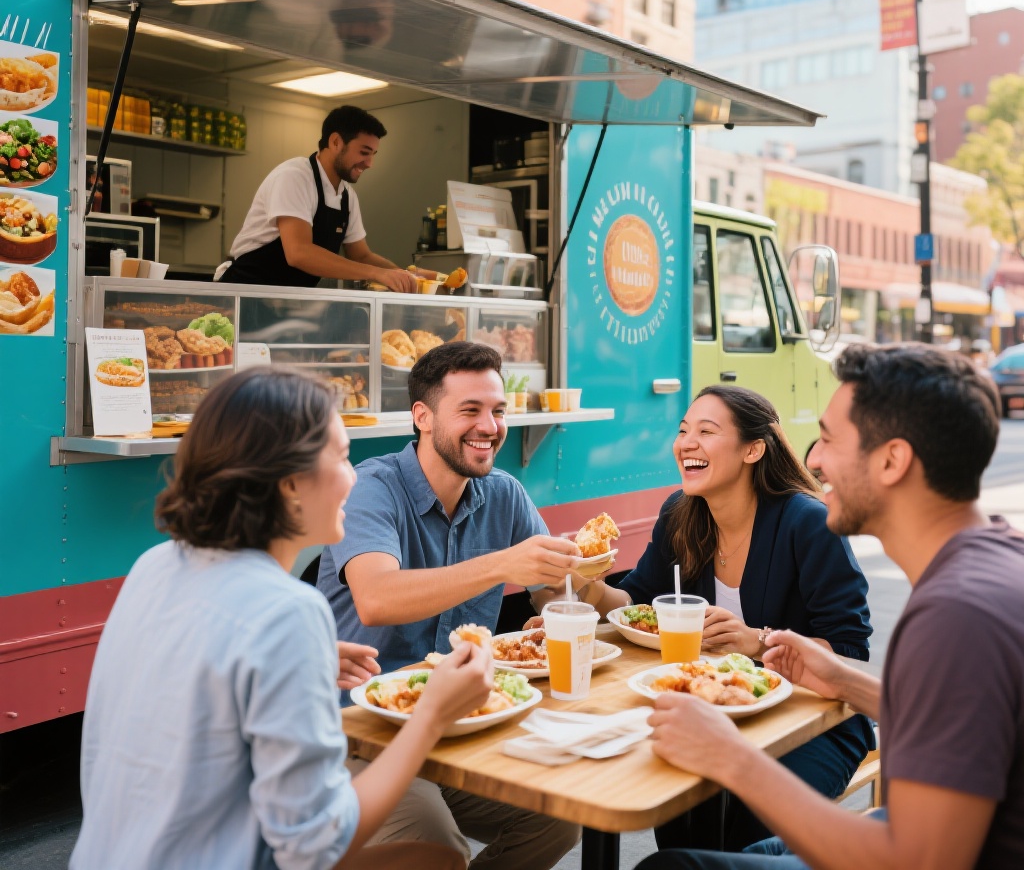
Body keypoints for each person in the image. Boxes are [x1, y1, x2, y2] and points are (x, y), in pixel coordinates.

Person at [71, 367, 496, 870]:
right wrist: (430, 717)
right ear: (290, 482)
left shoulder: (156, 565)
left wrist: (300, 660)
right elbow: (315, 844)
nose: (354, 475)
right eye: (341, 457)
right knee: (439, 859)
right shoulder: (287, 612)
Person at [636, 343, 1023, 870]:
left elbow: (922, 861)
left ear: (892, 460)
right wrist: (844, 683)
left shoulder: (956, 614)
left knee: (673, 867)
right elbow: (966, 721)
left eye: (829, 439)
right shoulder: (994, 561)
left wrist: (734, 759)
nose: (813, 459)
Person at [570, 385, 873, 852]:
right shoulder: (680, 513)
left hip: (812, 721)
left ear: (753, 449)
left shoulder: (807, 522)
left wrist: (759, 642)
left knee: (750, 836)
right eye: (683, 431)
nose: (686, 443)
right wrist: (585, 581)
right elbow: (636, 602)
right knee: (674, 813)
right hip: (708, 709)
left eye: (706, 432)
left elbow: (849, 651)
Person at [317, 341, 582, 869]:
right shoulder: (374, 486)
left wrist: (586, 581)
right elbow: (376, 599)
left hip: (462, 726)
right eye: (470, 410)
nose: (490, 426)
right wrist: (504, 564)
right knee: (439, 849)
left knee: (557, 819)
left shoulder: (503, 493)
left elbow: (562, 596)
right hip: (361, 732)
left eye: (498, 410)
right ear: (422, 416)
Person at [217, 105, 421, 291]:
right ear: (335, 142)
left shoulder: (346, 195)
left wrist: (407, 276)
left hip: (284, 301)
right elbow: (299, 252)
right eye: (364, 152)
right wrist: (376, 273)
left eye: (373, 154)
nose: (370, 163)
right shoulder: (294, 177)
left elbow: (361, 255)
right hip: (243, 293)